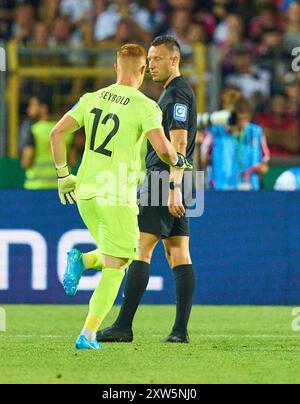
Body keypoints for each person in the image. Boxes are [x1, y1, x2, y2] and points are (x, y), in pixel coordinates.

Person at [50, 43, 191, 350]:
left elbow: (56, 134)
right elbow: (164, 149)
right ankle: (87, 334)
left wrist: (63, 175)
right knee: (118, 265)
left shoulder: (91, 98)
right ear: (142, 69)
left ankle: (83, 259)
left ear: (116, 67)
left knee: (119, 254)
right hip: (116, 194)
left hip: (84, 192)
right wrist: (179, 162)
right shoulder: (145, 106)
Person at [97, 36, 197, 344]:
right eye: (150, 59)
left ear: (174, 61)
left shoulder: (176, 94)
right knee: (178, 253)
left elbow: (178, 143)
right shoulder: (175, 93)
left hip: (164, 178)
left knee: (141, 249)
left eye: (157, 59)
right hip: (180, 177)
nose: (151, 64)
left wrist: (173, 188)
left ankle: (123, 326)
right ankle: (179, 331)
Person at [201, 97, 270, 191]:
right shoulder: (216, 131)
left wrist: (260, 168)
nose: (243, 123)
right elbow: (203, 159)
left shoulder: (256, 132)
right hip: (220, 188)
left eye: (246, 118)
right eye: (240, 119)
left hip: (250, 189)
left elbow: (264, 163)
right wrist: (202, 186)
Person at [21, 93, 74, 190]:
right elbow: (72, 161)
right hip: (60, 187)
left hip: (36, 187)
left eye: (33, 105)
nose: (29, 110)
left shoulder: (33, 130)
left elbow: (26, 162)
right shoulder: (64, 130)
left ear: (43, 108)